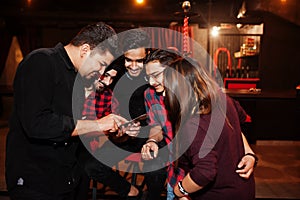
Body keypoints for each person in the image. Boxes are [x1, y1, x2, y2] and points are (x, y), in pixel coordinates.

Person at [5, 22, 128, 200]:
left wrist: (108, 131)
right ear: (85, 49)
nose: (101, 72)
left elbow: (74, 127)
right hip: (35, 180)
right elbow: (37, 124)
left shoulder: (78, 77)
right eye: (101, 64)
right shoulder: (41, 61)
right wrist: (97, 124)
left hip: (65, 177)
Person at [141, 49, 257, 200]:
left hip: (197, 185)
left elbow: (205, 171)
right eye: (147, 76)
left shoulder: (194, 119)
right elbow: (156, 125)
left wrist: (249, 153)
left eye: (156, 75)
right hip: (183, 177)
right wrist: (152, 140)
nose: (151, 82)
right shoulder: (220, 98)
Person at [82, 29, 167, 199]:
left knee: (156, 173)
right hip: (125, 136)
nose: (134, 66)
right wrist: (121, 132)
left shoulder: (155, 73)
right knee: (92, 166)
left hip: (154, 134)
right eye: (129, 60)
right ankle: (131, 192)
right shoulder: (115, 73)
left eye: (139, 61)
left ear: (147, 54)